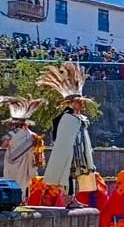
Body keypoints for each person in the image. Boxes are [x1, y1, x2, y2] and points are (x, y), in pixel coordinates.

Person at [37, 63, 96, 208]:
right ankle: (69, 200)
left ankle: (72, 199)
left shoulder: (77, 118)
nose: (81, 105)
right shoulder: (67, 118)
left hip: (77, 154)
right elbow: (63, 139)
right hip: (69, 154)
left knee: (73, 176)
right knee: (67, 176)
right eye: (79, 102)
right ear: (71, 103)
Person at [0, 95, 46, 200]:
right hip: (23, 163)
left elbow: (3, 146)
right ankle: (22, 199)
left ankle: (11, 199)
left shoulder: (11, 134)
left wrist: (11, 145)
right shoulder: (32, 135)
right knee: (22, 182)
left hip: (11, 162)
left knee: (11, 181)